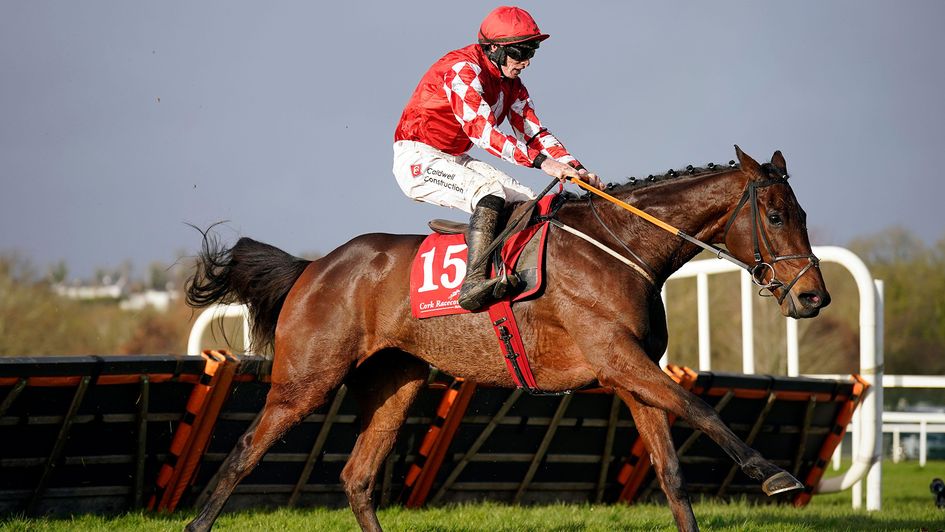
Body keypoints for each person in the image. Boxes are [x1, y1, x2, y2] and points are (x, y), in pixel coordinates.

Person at [393, 5, 603, 311]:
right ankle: (473, 282)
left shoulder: (513, 86)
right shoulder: (463, 70)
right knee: (487, 193)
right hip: (417, 157)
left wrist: (577, 168)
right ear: (493, 49)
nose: (527, 61)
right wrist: (543, 163)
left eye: (532, 50)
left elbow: (534, 134)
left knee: (531, 201)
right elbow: (483, 134)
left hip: (452, 157)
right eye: (520, 52)